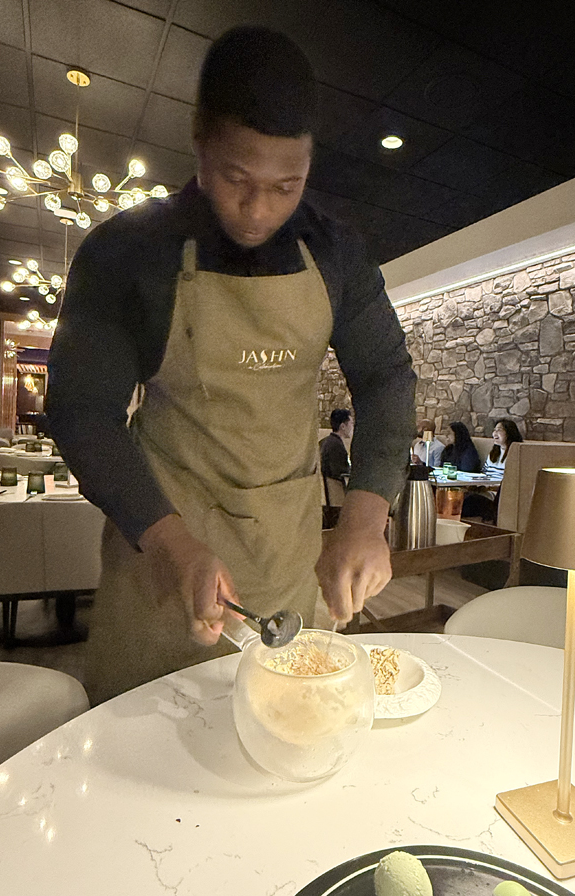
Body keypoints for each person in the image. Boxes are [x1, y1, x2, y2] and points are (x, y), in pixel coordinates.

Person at [46, 26, 416, 704]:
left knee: (280, 730)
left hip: (286, 549)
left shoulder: (336, 255)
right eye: (236, 178)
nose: (258, 210)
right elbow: (81, 409)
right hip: (162, 542)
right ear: (200, 143)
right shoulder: (128, 251)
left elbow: (386, 378)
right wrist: (168, 543)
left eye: (286, 186)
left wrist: (367, 516)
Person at [462, 418, 524, 521]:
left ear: (509, 433)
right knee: (460, 496)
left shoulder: (516, 455)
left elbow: (511, 481)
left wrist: (489, 488)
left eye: (499, 430)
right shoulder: (493, 454)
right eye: (494, 430)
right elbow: (484, 473)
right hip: (484, 491)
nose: (495, 433)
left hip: (498, 496)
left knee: (469, 501)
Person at [320, 408, 353, 482]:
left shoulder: (324, 442)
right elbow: (341, 472)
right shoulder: (336, 446)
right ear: (343, 426)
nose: (352, 427)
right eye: (351, 423)